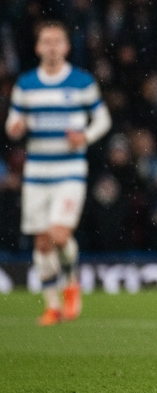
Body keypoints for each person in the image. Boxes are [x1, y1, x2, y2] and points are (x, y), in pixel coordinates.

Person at [4, 21, 111, 324]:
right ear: (38, 48)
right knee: (41, 242)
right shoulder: (25, 84)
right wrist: (15, 128)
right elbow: (13, 124)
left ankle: (71, 281)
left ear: (66, 47)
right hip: (36, 171)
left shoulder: (81, 81)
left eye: (57, 41)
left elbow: (102, 120)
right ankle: (52, 306)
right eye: (46, 41)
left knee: (60, 234)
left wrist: (85, 137)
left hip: (70, 170)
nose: (51, 46)